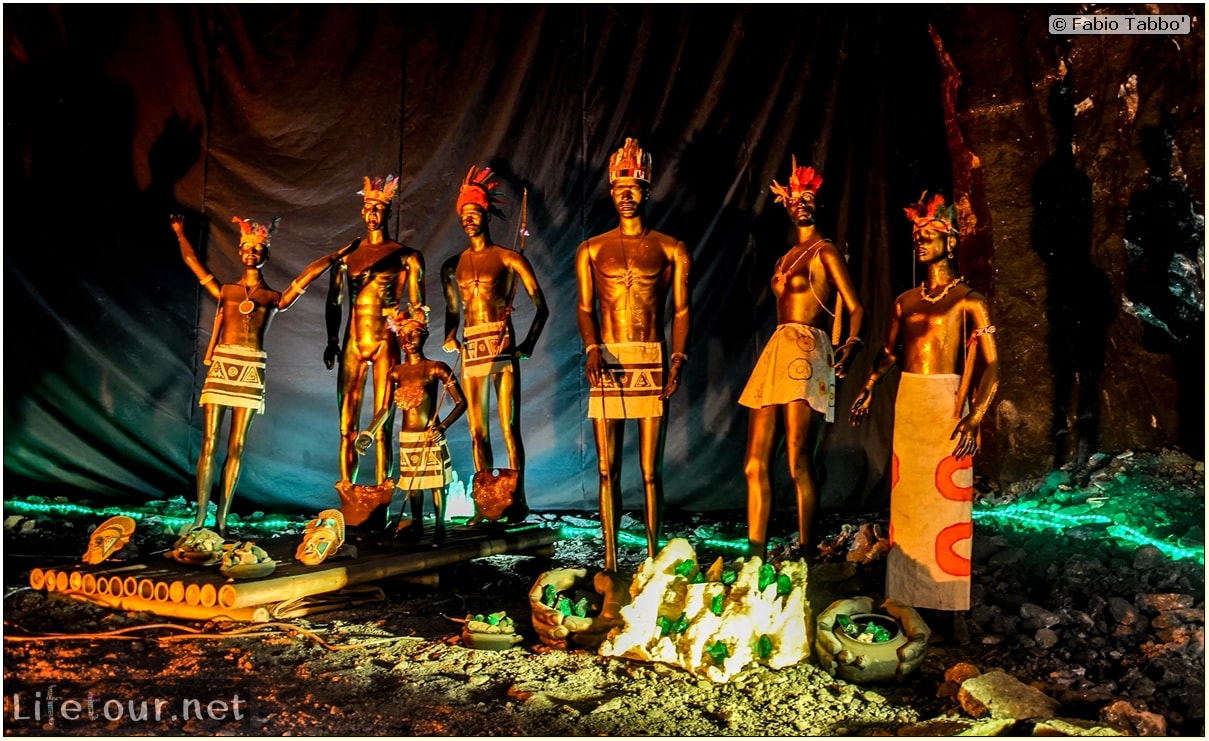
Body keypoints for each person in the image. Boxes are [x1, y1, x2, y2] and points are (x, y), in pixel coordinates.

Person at [849, 191, 999, 633]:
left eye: (930, 233)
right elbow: (890, 352)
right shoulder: (906, 300)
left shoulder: (969, 300)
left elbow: (992, 362)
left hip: (948, 401)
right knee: (909, 499)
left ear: (950, 241)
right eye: (916, 234)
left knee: (947, 506)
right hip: (909, 401)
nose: (921, 240)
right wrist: (871, 385)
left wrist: (975, 414)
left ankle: (951, 604)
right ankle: (906, 594)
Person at [171, 213, 348, 538]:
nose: (251, 252)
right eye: (247, 247)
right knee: (209, 442)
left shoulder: (271, 298)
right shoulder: (227, 291)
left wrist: (332, 258)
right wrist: (180, 233)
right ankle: (200, 516)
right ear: (241, 252)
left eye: (258, 249)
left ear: (265, 255)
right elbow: (193, 263)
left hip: (251, 369)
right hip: (224, 364)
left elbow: (304, 279)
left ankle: (221, 520)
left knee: (236, 446)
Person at [575, 138, 691, 573]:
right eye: (620, 187)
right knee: (606, 470)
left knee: (649, 472)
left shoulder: (669, 248)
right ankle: (609, 562)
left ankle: (651, 559)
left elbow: (681, 309)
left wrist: (678, 358)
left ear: (646, 191)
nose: (627, 195)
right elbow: (585, 308)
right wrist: (591, 348)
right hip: (607, 358)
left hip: (651, 358)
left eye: (635, 187)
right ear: (610, 191)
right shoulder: (591, 249)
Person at [741, 158, 865, 560]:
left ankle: (807, 554)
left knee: (798, 458)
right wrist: (779, 292)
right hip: (779, 348)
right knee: (754, 462)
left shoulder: (824, 251)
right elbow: (791, 306)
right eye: (796, 198)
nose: (802, 203)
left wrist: (851, 341)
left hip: (808, 351)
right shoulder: (784, 259)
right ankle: (755, 555)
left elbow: (854, 306)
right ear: (787, 205)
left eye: (809, 197)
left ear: (817, 204)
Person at [440, 166, 548, 523]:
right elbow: (454, 310)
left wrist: (527, 344)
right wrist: (450, 335)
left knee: (508, 426)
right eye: (465, 215)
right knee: (476, 431)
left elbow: (541, 307)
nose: (469, 220)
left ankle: (518, 499)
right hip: (472, 348)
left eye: (475, 214)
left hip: (502, 348)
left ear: (486, 215)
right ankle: (484, 502)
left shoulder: (509, 258)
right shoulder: (453, 266)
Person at [325, 175, 426, 528]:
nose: (372, 214)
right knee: (346, 425)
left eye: (379, 208)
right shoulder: (348, 258)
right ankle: (348, 490)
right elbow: (335, 301)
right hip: (353, 341)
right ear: (361, 211)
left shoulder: (405, 256)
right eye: (368, 207)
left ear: (387, 212)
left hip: (385, 340)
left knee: (382, 424)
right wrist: (332, 340)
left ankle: (384, 491)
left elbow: (417, 307)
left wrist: (412, 339)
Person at [357, 309, 467, 547]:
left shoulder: (436, 367)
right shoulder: (395, 372)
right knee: (414, 486)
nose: (408, 339)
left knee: (437, 484)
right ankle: (417, 525)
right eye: (404, 334)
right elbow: (384, 408)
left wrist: (444, 426)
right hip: (408, 438)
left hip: (431, 435)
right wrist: (369, 432)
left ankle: (439, 528)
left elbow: (462, 402)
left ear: (424, 336)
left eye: (414, 333)